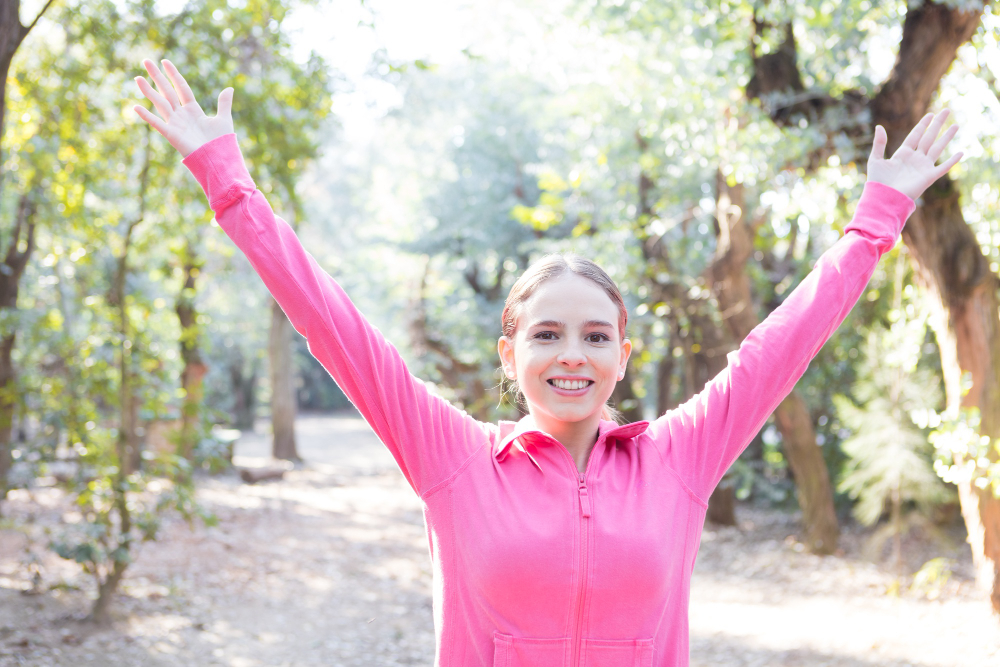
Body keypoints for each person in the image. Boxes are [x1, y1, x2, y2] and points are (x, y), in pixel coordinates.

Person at [134, 58, 962, 667]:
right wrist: (229, 183)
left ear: (623, 354)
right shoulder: (452, 457)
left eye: (597, 336)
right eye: (548, 334)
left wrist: (875, 219)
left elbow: (781, 345)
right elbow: (333, 322)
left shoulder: (678, 458)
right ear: (511, 351)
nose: (573, 355)